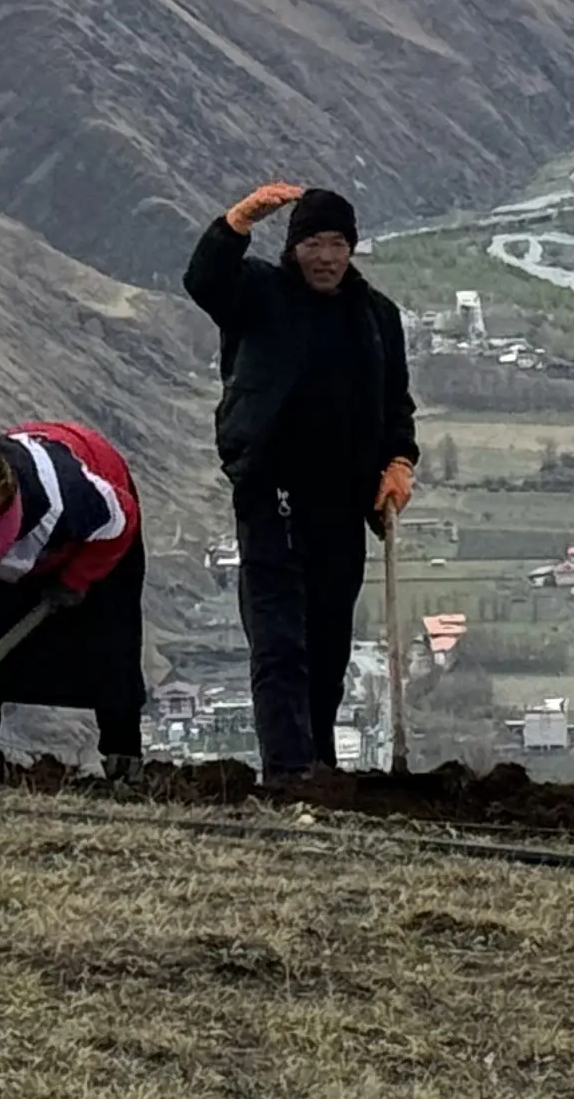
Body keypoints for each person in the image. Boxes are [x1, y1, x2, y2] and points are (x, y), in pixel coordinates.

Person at [187, 178, 417, 776]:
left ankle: (318, 766)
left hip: (343, 503)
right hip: (274, 496)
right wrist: (235, 223)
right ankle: (288, 774)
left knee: (328, 645)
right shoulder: (259, 293)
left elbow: (397, 404)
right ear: (292, 248)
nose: (326, 257)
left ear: (352, 248)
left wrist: (400, 461)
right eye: (313, 242)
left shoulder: (377, 317)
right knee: (280, 643)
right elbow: (204, 282)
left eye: (337, 243)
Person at [0, 419, 147, 778]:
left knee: (111, 646)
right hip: (34, 543)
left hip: (96, 543)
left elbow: (120, 526)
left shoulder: (78, 496)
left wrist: (76, 579)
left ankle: (123, 759)